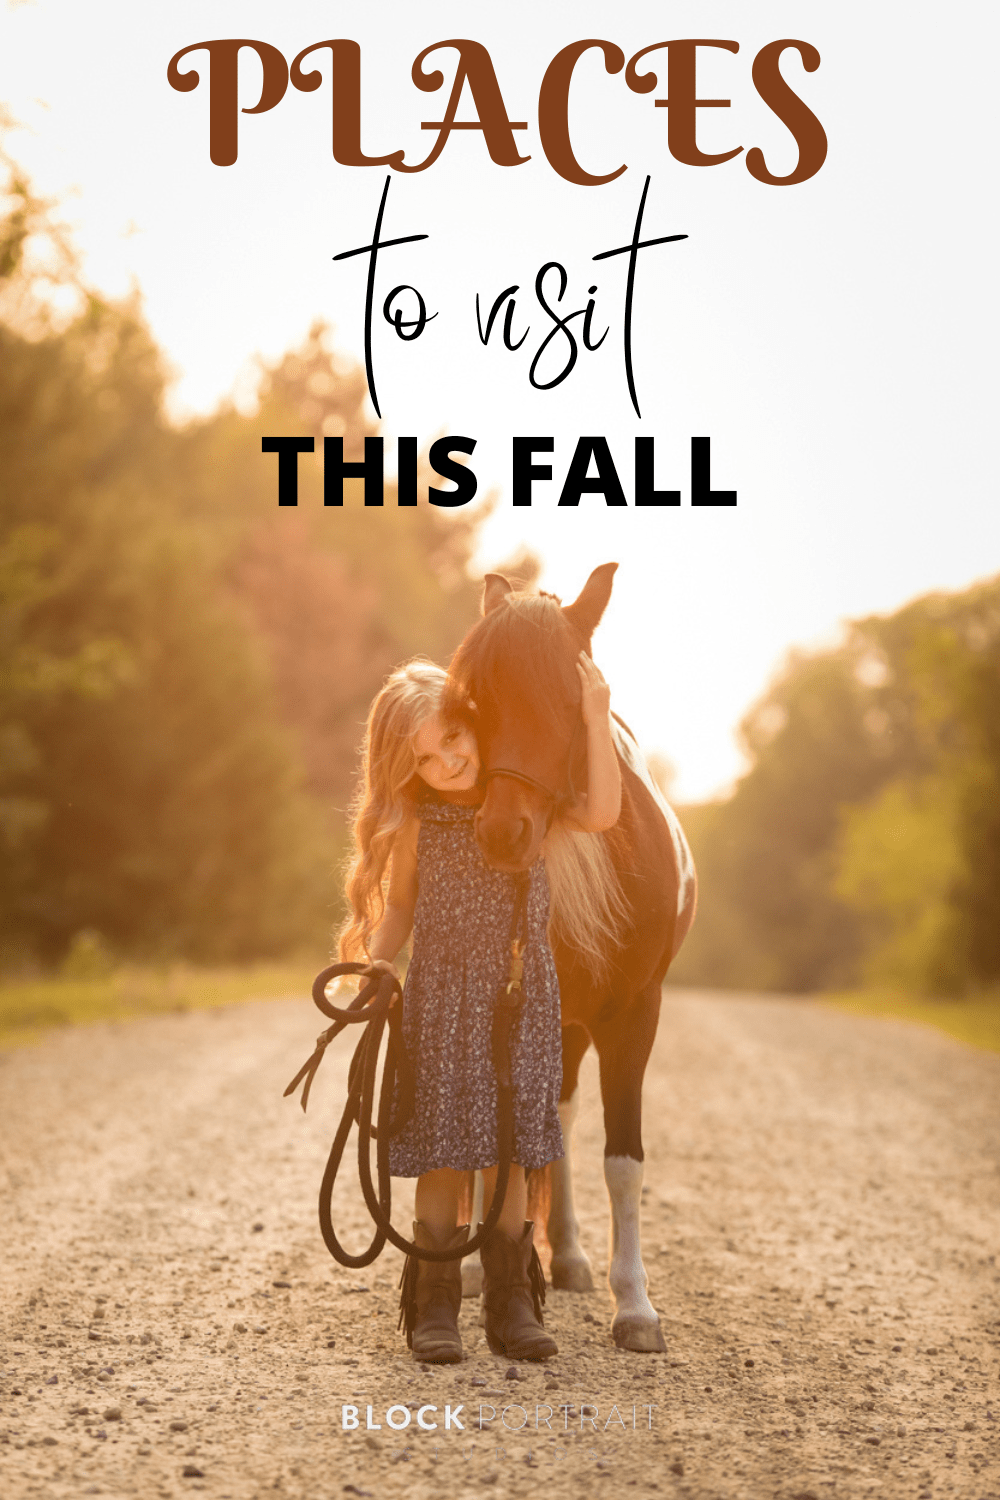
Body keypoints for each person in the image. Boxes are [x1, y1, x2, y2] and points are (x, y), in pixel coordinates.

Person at [338, 653, 621, 1363]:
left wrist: (592, 715)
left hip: (521, 1001)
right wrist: (378, 958)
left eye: (452, 740)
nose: (447, 763)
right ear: (409, 770)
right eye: (427, 759)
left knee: (510, 1159)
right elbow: (400, 903)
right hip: (440, 999)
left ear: (474, 724)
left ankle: (513, 1301)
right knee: (441, 1153)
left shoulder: (523, 799)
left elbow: (603, 809)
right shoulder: (418, 821)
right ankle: (433, 1305)